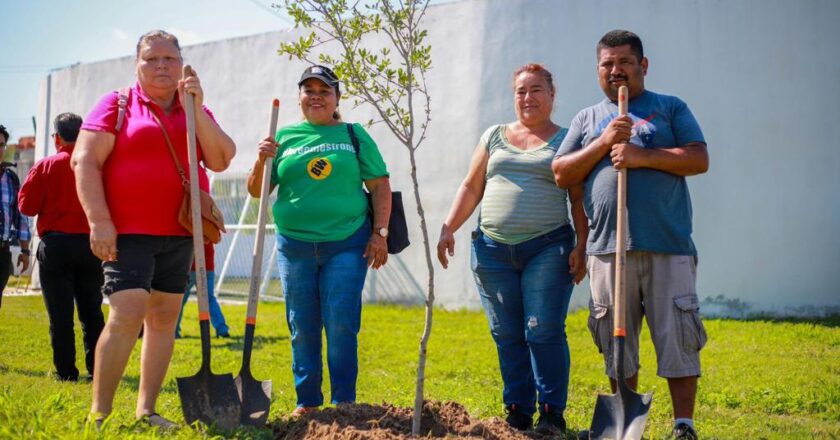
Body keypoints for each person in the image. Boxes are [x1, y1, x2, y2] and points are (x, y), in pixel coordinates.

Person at [71, 30, 235, 428]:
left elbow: (221, 158)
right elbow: (84, 161)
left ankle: (146, 410)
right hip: (127, 232)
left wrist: (195, 107)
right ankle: (101, 414)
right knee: (126, 313)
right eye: (152, 59)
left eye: (170, 59)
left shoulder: (192, 107)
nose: (161, 66)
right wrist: (99, 221)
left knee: (163, 320)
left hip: (179, 231)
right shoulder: (118, 104)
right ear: (137, 65)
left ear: (181, 65)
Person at [552, 30, 709, 440]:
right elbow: (561, 172)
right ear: (598, 70)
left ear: (643, 65)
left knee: (678, 336)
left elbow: (698, 158)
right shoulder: (586, 119)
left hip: (667, 245)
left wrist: (642, 156)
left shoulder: (670, 108)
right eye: (607, 64)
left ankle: (683, 424)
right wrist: (604, 142)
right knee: (616, 340)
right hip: (607, 249)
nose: (615, 70)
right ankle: (624, 424)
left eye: (624, 61)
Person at [436, 64, 588, 435]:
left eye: (536, 90)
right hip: (492, 251)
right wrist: (448, 227)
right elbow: (471, 187)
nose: (528, 97)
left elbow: (577, 198)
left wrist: (583, 244)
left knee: (542, 330)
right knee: (506, 333)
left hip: (548, 247)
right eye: (521, 91)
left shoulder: (568, 140)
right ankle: (518, 411)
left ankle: (551, 413)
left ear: (552, 95)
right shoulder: (494, 136)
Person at [247, 65, 391, 417]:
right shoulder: (284, 137)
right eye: (308, 89)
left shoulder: (353, 135)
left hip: (346, 242)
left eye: (324, 90)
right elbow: (257, 191)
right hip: (294, 247)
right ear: (300, 97)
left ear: (336, 98)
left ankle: (344, 403)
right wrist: (261, 159)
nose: (316, 96)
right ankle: (308, 402)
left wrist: (380, 233)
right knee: (301, 324)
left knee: (341, 321)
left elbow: (380, 185)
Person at [18, 113, 105, 382]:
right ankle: (99, 370)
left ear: (57, 137)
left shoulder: (46, 166)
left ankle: (66, 372)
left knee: (60, 314)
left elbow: (27, 206)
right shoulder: (97, 166)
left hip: (56, 246)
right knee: (92, 312)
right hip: (92, 244)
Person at [0, 124, 31, 308]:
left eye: (1, 144)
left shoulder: (11, 179)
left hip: (2, 253)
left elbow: (20, 217)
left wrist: (25, 251)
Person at [174, 242, 230, 339]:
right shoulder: (210, 228)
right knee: (209, 300)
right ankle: (222, 329)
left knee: (180, 299)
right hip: (207, 267)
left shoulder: (192, 227)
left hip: (190, 267)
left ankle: (174, 331)